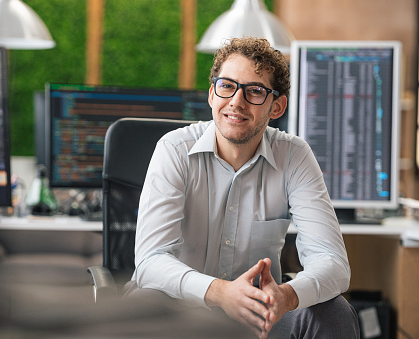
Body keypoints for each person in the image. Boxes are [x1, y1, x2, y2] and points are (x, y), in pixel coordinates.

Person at [125, 37, 359, 338]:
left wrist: (287, 296)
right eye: (227, 86)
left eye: (255, 91)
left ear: (277, 106)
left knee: (333, 312)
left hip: (260, 313)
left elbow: (333, 263)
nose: (236, 101)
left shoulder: (294, 156)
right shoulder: (174, 149)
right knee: (143, 303)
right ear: (212, 94)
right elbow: (150, 262)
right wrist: (221, 293)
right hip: (179, 311)